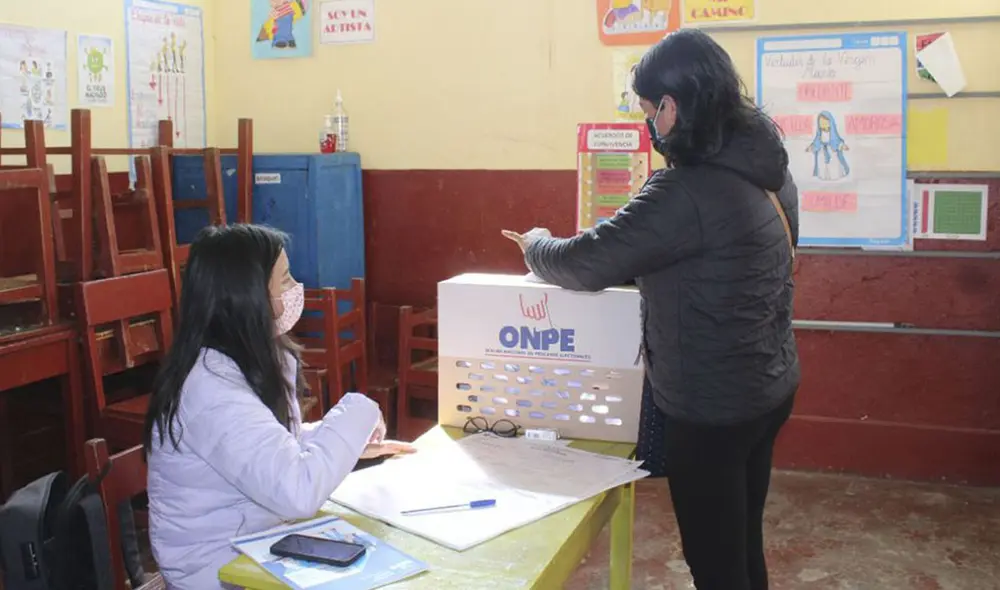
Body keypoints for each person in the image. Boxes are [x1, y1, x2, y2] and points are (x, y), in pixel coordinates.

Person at [503, 29, 799, 590]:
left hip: (711, 408)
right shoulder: (770, 171)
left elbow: (587, 261)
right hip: (769, 386)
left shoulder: (683, 191)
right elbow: (727, 257)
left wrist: (536, 244)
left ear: (673, 105)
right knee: (741, 541)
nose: (648, 123)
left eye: (647, 109)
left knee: (715, 561)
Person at [143, 224, 412, 589]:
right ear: (248, 296)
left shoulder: (249, 358)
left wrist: (342, 441)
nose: (295, 289)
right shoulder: (208, 388)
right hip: (216, 571)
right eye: (284, 280)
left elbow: (265, 444)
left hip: (255, 544)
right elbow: (296, 492)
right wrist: (360, 410)